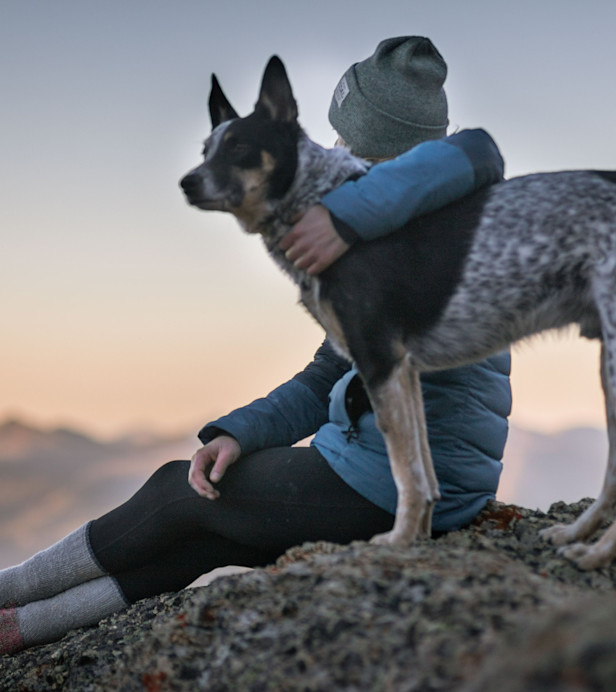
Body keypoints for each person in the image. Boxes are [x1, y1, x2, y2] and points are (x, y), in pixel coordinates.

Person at [0, 37, 511, 654]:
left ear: (382, 150)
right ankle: (20, 629)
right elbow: (331, 370)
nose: (334, 150)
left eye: (348, 140)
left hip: (403, 483)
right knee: (209, 535)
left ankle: (10, 591)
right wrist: (241, 431)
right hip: (398, 469)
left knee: (175, 492)